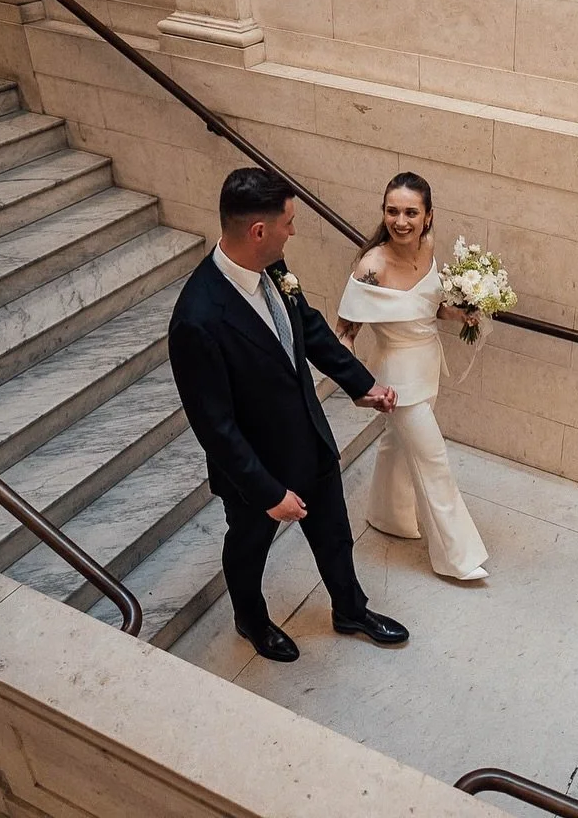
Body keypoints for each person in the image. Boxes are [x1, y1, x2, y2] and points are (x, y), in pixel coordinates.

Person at [167, 167, 409, 663]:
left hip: (308, 438)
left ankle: (350, 609)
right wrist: (268, 492)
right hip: (255, 468)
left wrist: (361, 384)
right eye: (288, 224)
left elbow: (310, 327)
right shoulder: (197, 318)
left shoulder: (273, 266)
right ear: (258, 231)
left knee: (334, 533)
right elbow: (215, 427)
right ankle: (251, 619)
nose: (293, 232)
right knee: (249, 547)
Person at [334, 172, 489, 581]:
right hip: (398, 379)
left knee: (397, 447)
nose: (400, 221)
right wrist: (360, 386)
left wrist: (459, 313)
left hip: (428, 365)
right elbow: (344, 333)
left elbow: (428, 307)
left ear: (428, 216)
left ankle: (387, 515)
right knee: (433, 460)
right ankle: (457, 558)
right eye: (392, 211)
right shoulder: (372, 267)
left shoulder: (429, 247)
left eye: (410, 213)